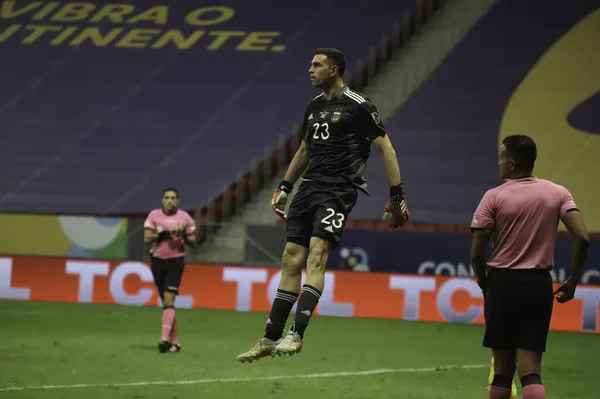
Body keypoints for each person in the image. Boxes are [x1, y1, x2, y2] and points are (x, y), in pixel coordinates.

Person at [236, 47, 410, 363]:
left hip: (339, 190)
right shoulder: (314, 107)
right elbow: (304, 149)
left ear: (333, 70)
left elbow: (387, 149)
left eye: (316, 65)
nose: (309, 69)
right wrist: (285, 187)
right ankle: (269, 337)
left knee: (317, 254)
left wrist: (397, 196)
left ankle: (297, 333)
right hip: (308, 189)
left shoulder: (359, 106)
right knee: (290, 259)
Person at [470, 135, 589, 399]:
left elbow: (477, 254)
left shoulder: (494, 197)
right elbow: (582, 236)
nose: (499, 163)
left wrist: (483, 281)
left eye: (502, 159)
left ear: (511, 163)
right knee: (531, 370)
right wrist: (573, 279)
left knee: (502, 371)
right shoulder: (558, 193)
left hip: (502, 283)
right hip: (538, 285)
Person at [144, 187, 197, 353]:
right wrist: (165, 233)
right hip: (158, 262)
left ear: (178, 201)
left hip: (175, 262)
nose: (170, 200)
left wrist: (182, 233)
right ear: (162, 200)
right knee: (168, 305)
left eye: (173, 198)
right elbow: (147, 237)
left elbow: (194, 241)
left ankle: (163, 339)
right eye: (167, 197)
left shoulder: (184, 217)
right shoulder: (154, 215)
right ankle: (175, 342)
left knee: (168, 301)